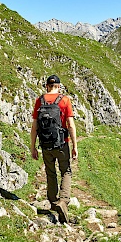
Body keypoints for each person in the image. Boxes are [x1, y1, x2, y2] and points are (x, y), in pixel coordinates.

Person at [30, 75, 78, 223]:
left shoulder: (40, 100)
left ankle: (52, 203)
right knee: (66, 171)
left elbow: (34, 126)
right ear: (59, 86)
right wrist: (75, 145)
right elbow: (70, 124)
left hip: (45, 145)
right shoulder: (64, 100)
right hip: (62, 143)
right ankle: (63, 201)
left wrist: (32, 146)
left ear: (46, 86)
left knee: (50, 173)